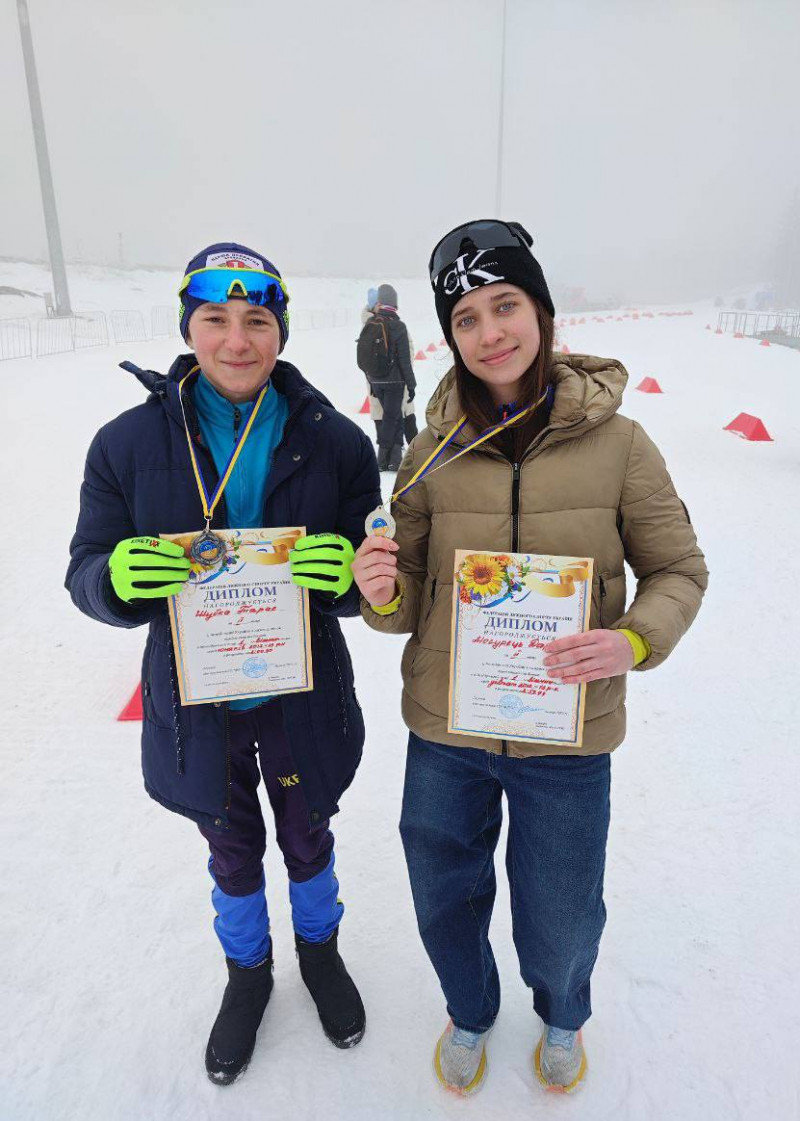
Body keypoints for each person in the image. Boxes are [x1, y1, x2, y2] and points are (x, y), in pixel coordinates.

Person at [351, 219, 708, 1096]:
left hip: (567, 738)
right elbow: (403, 604)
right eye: (465, 317)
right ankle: (469, 1007)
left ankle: (561, 1010)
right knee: (444, 891)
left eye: (504, 305)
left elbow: (678, 571)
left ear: (542, 312)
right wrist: (380, 585)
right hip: (447, 730)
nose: (489, 332)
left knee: (560, 908)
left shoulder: (621, 444)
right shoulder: (430, 450)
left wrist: (629, 639)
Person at [65, 242, 381, 1085]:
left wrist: (348, 574)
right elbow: (85, 568)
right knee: (231, 847)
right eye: (216, 320)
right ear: (189, 327)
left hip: (301, 694)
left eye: (257, 320)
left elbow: (376, 569)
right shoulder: (126, 443)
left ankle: (321, 953)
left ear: (280, 328)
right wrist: (116, 579)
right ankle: (248, 974)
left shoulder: (338, 441)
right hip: (199, 701)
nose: (237, 340)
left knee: (309, 836)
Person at [356, 282, 416, 471]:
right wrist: (411, 385)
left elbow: (363, 357)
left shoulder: (370, 324)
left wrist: (372, 381)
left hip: (376, 381)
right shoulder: (398, 326)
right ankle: (386, 459)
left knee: (392, 417)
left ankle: (389, 459)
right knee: (394, 417)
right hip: (395, 381)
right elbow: (405, 360)